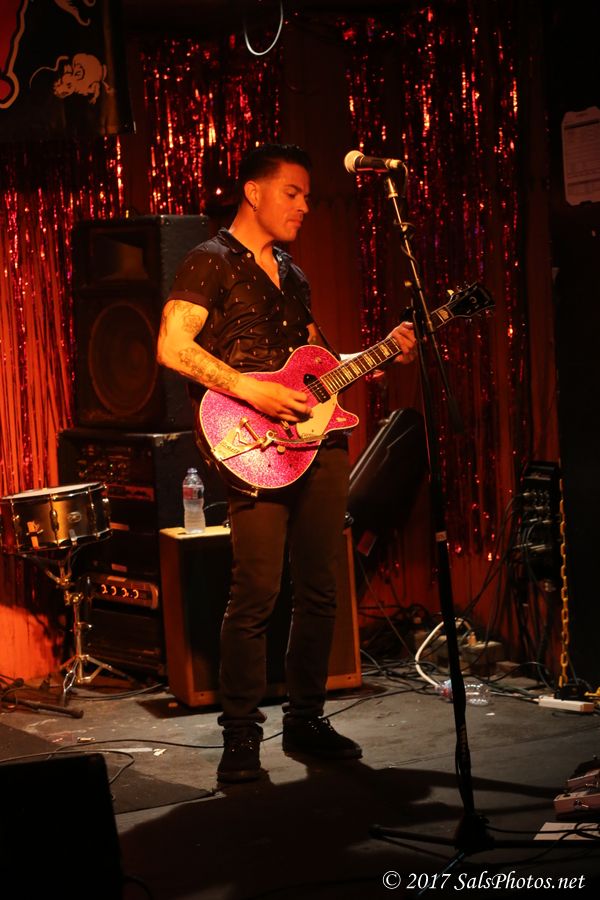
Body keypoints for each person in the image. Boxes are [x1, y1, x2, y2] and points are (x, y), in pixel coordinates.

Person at [157, 143, 417, 783]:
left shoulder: (293, 274)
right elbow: (172, 346)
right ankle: (241, 736)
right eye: (292, 193)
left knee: (323, 588)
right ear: (254, 192)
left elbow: (316, 368)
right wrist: (253, 391)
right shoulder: (210, 261)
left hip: (318, 444)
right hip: (254, 446)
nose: (304, 206)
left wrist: (382, 352)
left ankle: (306, 718)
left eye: (307, 196)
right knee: (256, 591)